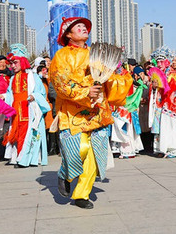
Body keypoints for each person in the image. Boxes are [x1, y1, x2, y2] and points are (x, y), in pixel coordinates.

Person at [49, 17, 132, 209]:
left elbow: (109, 79)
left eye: (85, 26)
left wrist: (123, 80)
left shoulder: (97, 54)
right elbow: (60, 84)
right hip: (73, 113)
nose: (83, 28)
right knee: (79, 149)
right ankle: (65, 173)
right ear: (68, 34)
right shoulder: (62, 56)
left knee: (95, 155)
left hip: (98, 112)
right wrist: (86, 92)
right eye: (78, 27)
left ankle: (81, 195)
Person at [3, 44, 51, 167]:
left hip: (28, 108)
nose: (13, 66)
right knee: (16, 133)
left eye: (15, 63)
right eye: (11, 63)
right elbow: (10, 93)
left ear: (23, 61)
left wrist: (34, 96)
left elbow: (41, 92)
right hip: (16, 109)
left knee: (28, 133)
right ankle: (16, 156)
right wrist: (5, 98)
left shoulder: (33, 76)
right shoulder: (12, 78)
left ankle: (25, 159)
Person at [148, 47, 176, 158]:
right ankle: (160, 148)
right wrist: (154, 88)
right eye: (157, 61)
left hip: (169, 105)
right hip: (159, 104)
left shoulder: (172, 74)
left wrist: (163, 89)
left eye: (161, 61)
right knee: (160, 126)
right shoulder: (158, 74)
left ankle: (172, 148)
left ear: (167, 61)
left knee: (170, 126)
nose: (159, 64)